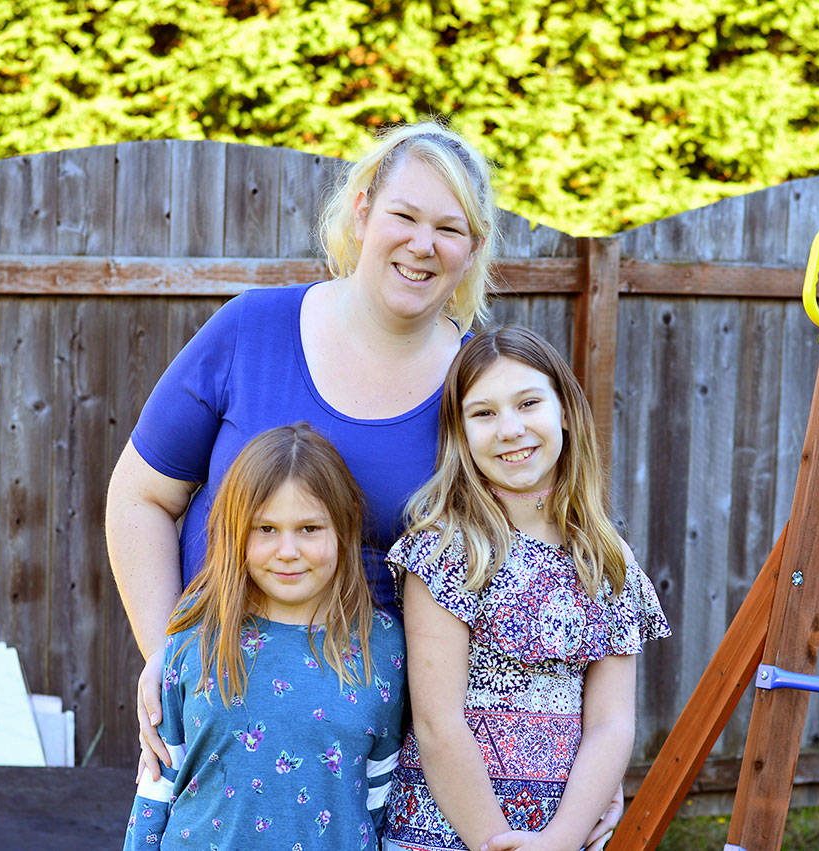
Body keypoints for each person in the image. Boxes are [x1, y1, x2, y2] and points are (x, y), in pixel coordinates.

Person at [106, 120, 498, 777]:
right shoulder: (251, 329)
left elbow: (528, 558)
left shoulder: (479, 386)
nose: (422, 245)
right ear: (363, 210)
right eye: (404, 214)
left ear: (473, 247)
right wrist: (164, 658)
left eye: (449, 228)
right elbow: (139, 497)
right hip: (218, 718)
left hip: (375, 751)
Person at [382, 327, 670, 851]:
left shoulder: (606, 560)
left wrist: (562, 838)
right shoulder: (449, 550)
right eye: (484, 413)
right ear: (460, 433)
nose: (510, 429)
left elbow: (611, 724)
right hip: (449, 829)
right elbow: (437, 722)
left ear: (565, 411)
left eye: (528, 403)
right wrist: (498, 842)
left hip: (566, 833)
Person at [121, 423, 405, 849]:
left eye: (310, 528)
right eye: (266, 529)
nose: (287, 551)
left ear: (344, 530)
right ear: (236, 534)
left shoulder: (380, 646)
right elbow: (158, 781)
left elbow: (384, 795)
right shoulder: (196, 634)